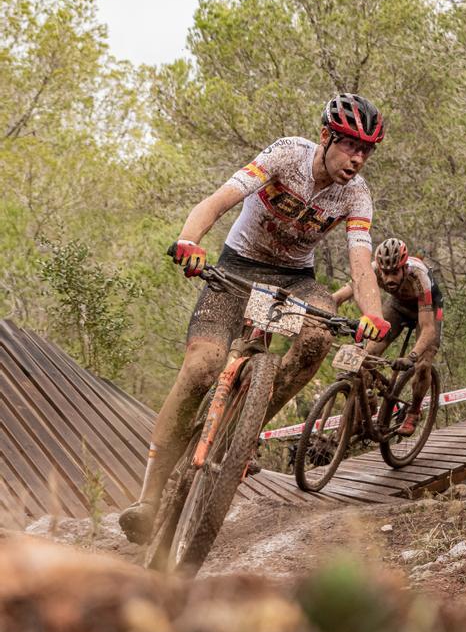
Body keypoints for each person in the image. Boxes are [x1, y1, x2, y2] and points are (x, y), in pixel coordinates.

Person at [119, 93, 392, 544]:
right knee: (201, 368)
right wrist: (190, 240)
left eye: (366, 150)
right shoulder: (287, 155)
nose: (358, 158)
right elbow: (218, 200)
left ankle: (246, 429)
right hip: (237, 266)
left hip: (296, 279)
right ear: (326, 137)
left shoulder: (356, 194)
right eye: (349, 145)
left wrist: (373, 314)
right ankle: (148, 500)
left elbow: (360, 259)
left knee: (317, 338)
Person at [331, 237, 442, 436]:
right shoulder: (373, 269)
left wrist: (412, 356)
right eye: (385, 273)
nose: (389, 278)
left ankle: (414, 412)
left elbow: (428, 329)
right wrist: (330, 305)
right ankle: (368, 402)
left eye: (395, 272)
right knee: (366, 356)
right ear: (379, 268)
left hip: (428, 309)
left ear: (404, 268)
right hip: (398, 306)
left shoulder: (419, 276)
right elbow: (344, 293)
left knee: (423, 365)